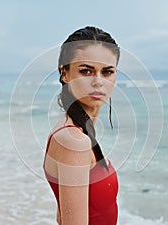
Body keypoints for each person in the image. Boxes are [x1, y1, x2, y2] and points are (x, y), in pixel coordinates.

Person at [43, 26, 120, 225]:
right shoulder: (74, 142)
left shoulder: (76, 131)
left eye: (107, 72)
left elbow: (62, 217)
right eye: (86, 71)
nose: (98, 82)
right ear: (64, 73)